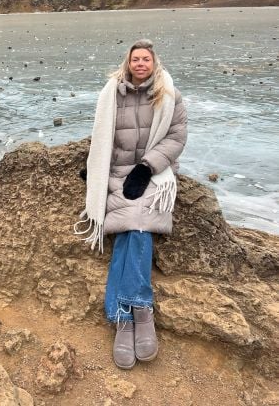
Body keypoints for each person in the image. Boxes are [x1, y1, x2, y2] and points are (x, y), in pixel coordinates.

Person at [75, 39, 187, 369]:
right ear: (128, 62)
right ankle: (138, 309)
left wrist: (147, 166)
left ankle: (126, 313)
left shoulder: (169, 94)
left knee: (135, 225)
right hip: (116, 172)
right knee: (128, 229)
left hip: (154, 173)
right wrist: (93, 166)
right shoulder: (113, 93)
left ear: (154, 63)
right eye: (135, 59)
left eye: (146, 59)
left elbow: (177, 137)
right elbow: (102, 134)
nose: (140, 63)